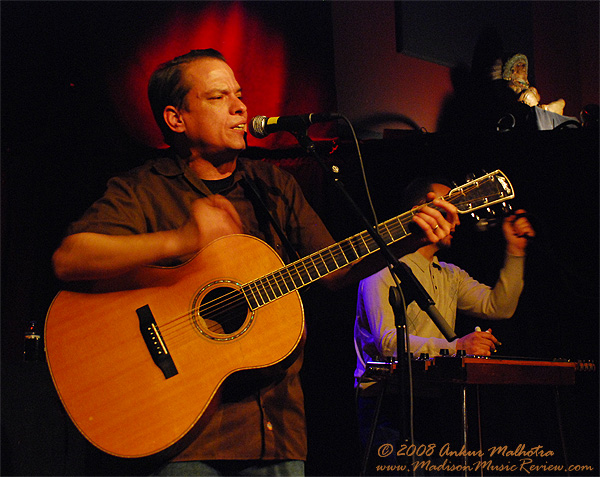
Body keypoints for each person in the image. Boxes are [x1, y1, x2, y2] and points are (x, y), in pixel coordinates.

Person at [51, 49, 458, 476]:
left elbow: (336, 271)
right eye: (217, 96)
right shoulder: (145, 189)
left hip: (275, 432)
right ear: (176, 119)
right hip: (182, 436)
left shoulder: (274, 187)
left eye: (239, 94)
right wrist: (180, 239)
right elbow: (70, 258)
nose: (240, 106)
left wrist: (406, 237)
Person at [353, 177, 535, 472]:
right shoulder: (379, 266)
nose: (457, 220)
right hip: (386, 404)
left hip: (433, 398)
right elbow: (387, 343)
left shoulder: (449, 274)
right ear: (421, 211)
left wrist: (516, 251)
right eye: (451, 207)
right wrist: (456, 347)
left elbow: (498, 307)